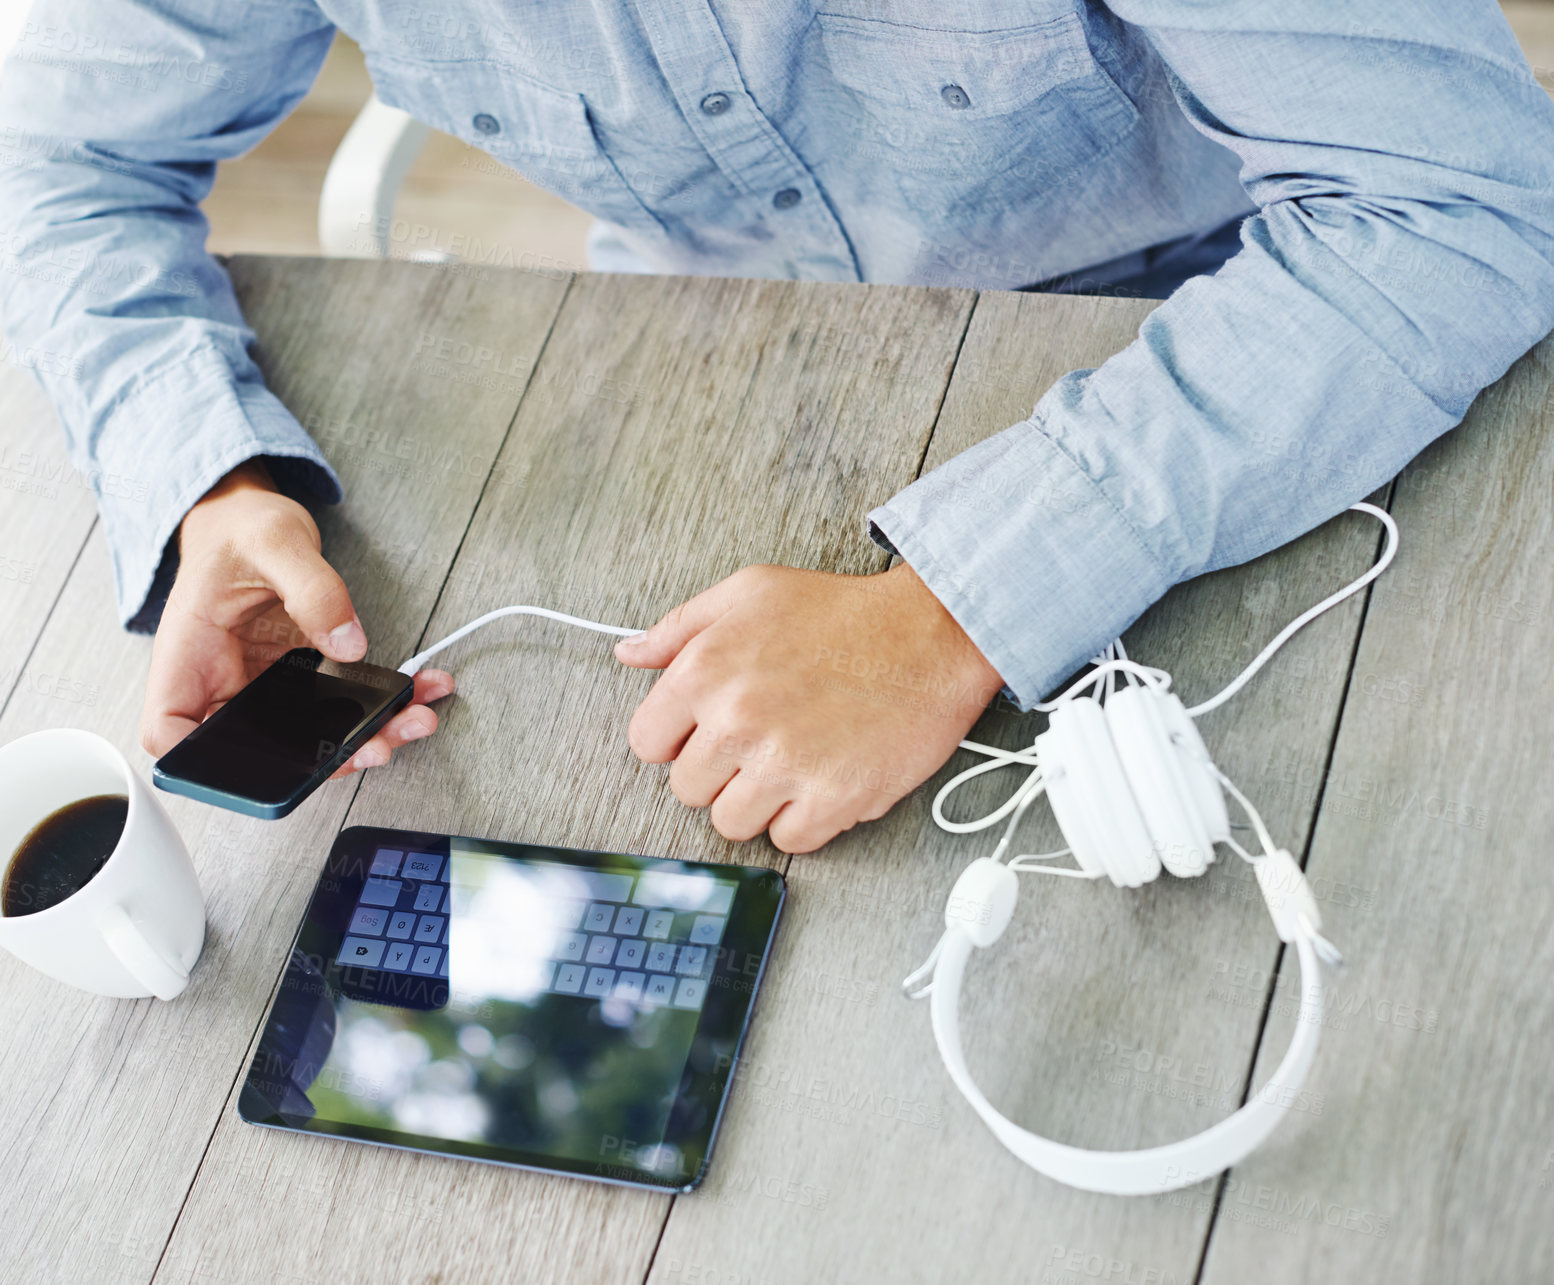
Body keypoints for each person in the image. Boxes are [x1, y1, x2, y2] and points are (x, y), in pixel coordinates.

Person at [2, 2, 1552, 854]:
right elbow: (45, 159)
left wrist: (953, 607)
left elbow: (1471, 201)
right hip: (696, 374)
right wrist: (206, 472)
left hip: (1254, 363)